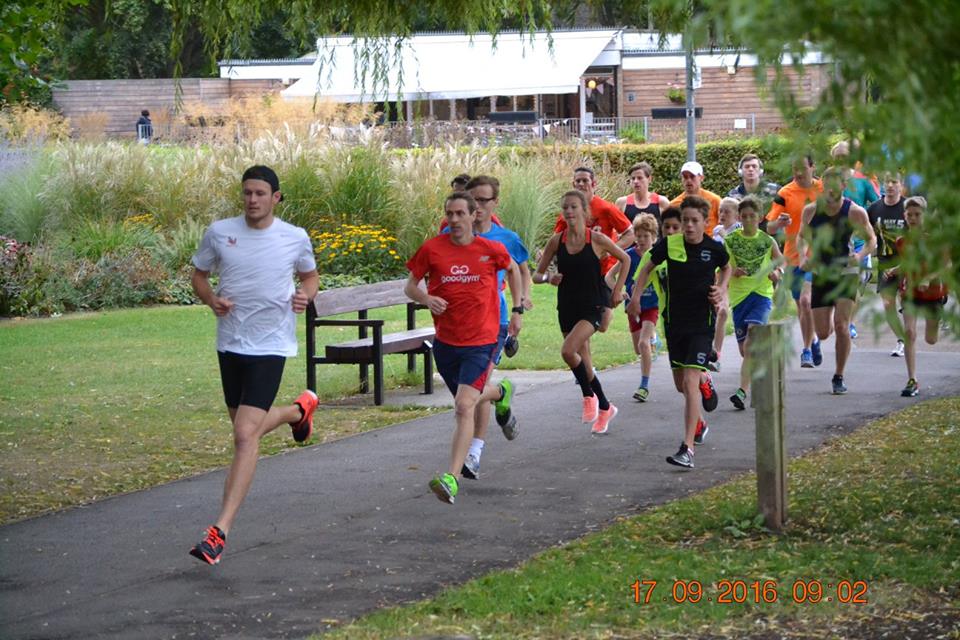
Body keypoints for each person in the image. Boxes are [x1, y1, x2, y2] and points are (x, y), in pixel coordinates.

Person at [188, 165, 320, 565]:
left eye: (260, 193)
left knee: (245, 434)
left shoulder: (294, 237)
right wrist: (212, 300)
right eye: (247, 193)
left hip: (271, 344)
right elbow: (199, 276)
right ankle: (299, 411)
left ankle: (219, 531)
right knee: (245, 432)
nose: (252, 200)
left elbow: (311, 278)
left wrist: (305, 296)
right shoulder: (219, 232)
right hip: (230, 343)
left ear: (276, 197)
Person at [405, 192, 523, 505]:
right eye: (449, 214)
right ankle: (500, 392)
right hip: (446, 342)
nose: (454, 220)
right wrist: (426, 299)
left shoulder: (490, 249)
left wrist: (516, 309)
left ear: (474, 215)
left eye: (460, 214)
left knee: (463, 406)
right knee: (465, 401)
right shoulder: (432, 249)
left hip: (482, 340)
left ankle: (452, 479)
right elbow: (410, 285)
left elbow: (513, 270)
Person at [627, 196, 731, 469]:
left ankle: (687, 448)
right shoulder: (670, 245)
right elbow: (647, 266)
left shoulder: (714, 248)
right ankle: (701, 414)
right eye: (685, 221)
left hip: (701, 324)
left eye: (694, 221)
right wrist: (636, 298)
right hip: (674, 323)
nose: (688, 226)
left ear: (706, 223)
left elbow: (727, 266)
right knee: (680, 384)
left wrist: (721, 289)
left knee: (688, 382)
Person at [456, 175, 533, 481]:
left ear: (494, 203)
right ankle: (501, 394)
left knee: (473, 388)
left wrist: (520, 304)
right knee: (466, 392)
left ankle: (474, 452)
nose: (477, 206)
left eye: (484, 200)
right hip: (459, 323)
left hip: (494, 322)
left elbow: (521, 270)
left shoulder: (506, 239)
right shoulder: (453, 234)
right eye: (473, 199)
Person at [535, 190, 630, 435]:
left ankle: (588, 396)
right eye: (565, 207)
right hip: (567, 305)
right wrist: (549, 278)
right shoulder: (557, 241)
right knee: (585, 361)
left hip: (593, 304)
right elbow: (537, 274)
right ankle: (606, 407)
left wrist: (617, 290)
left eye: (574, 207)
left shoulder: (596, 240)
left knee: (568, 351)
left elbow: (625, 259)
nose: (568, 211)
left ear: (584, 211)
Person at [797, 167, 876, 395]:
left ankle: (838, 375)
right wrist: (803, 256)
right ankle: (819, 339)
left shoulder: (855, 212)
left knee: (842, 326)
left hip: (846, 274)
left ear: (844, 186)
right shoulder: (811, 211)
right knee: (822, 333)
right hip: (822, 274)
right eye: (827, 184)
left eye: (836, 184)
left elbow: (871, 239)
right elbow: (802, 237)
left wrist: (859, 256)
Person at [724, 196, 784, 409]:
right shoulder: (731, 241)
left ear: (759, 219)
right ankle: (763, 371)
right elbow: (722, 269)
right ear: (739, 217)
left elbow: (780, 262)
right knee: (746, 351)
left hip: (761, 295)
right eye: (745, 216)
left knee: (751, 341)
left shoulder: (767, 241)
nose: (749, 220)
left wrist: (777, 273)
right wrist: (733, 271)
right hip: (739, 298)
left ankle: (742, 392)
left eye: (753, 216)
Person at [765, 154, 823, 368]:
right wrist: (779, 223)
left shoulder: (823, 189)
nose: (798, 173)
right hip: (793, 258)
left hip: (818, 256)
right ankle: (814, 339)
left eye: (802, 168)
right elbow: (769, 226)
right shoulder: (785, 193)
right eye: (794, 168)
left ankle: (806, 350)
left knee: (807, 302)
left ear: (812, 167)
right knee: (801, 305)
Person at [895, 196, 950, 397]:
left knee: (931, 339)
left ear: (924, 216)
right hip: (910, 292)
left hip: (933, 293)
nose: (913, 218)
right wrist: (896, 270)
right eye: (909, 215)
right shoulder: (901, 241)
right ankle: (912, 380)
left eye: (917, 215)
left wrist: (928, 278)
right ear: (904, 216)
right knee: (909, 332)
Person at [605, 213, 660, 401]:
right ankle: (653, 340)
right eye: (639, 236)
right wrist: (619, 291)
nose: (643, 240)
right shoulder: (628, 256)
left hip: (652, 305)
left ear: (654, 237)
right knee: (639, 349)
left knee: (643, 344)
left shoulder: (657, 256)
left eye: (647, 236)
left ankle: (644, 386)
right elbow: (609, 277)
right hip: (632, 307)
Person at [829, 141, 880, 340]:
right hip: (833, 242)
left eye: (845, 155)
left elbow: (877, 204)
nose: (841, 159)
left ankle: (849, 321)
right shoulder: (827, 179)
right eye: (838, 156)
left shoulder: (863, 180)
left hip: (858, 242)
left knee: (857, 283)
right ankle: (841, 318)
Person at [867, 173, 908, 357]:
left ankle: (910, 337)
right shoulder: (874, 209)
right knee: (888, 303)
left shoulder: (908, 207)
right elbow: (866, 231)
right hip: (885, 260)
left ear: (901, 185)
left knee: (906, 303)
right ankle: (902, 340)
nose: (890, 186)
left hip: (907, 260)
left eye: (894, 182)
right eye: (887, 182)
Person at [705, 197, 742, 372]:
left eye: (726, 211)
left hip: (738, 279)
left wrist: (724, 236)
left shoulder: (739, 230)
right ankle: (716, 354)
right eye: (720, 210)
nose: (722, 214)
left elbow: (736, 250)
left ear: (737, 215)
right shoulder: (717, 230)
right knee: (721, 311)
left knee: (726, 312)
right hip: (720, 278)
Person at [669, 161, 723, 231]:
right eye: (685, 177)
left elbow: (725, 225)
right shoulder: (674, 204)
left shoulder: (715, 200)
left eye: (692, 176)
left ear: (701, 178)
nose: (688, 180)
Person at [615, 161, 666, 227]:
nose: (635, 181)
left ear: (649, 179)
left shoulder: (661, 202)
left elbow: (673, 229)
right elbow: (615, 231)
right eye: (633, 178)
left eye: (640, 178)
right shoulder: (622, 203)